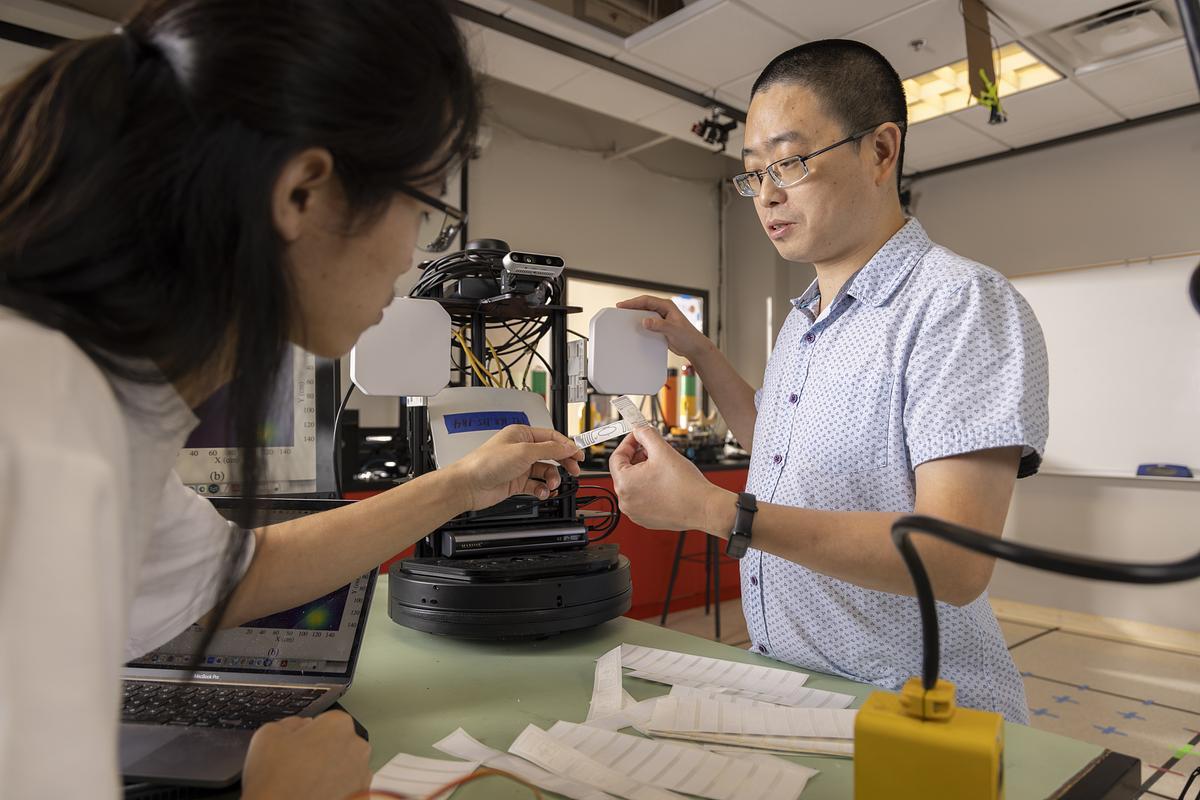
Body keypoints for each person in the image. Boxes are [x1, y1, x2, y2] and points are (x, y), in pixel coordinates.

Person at [0, 2, 582, 798]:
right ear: (303, 192)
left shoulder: (96, 402)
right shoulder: (41, 438)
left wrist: (461, 486)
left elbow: (233, 575)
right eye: (424, 205)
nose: (415, 254)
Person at [611, 40, 1048, 724]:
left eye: (789, 161)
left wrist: (712, 510)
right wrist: (697, 351)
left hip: (915, 715)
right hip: (800, 692)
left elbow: (955, 562)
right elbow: (779, 443)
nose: (767, 195)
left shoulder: (958, 303)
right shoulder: (807, 318)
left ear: (880, 151)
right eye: (753, 174)